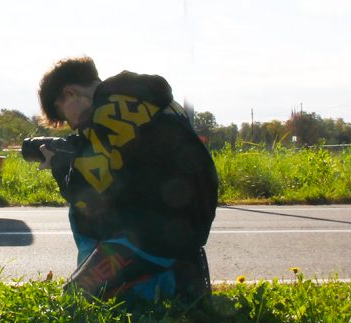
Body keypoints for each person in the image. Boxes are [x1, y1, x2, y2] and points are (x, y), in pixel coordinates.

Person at [36, 57, 218, 305]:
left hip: (150, 234)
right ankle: (178, 277)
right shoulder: (144, 100)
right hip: (187, 226)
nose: (72, 125)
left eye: (64, 116)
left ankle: (163, 282)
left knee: (74, 299)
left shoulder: (106, 114)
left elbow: (89, 195)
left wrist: (59, 166)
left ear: (70, 93)